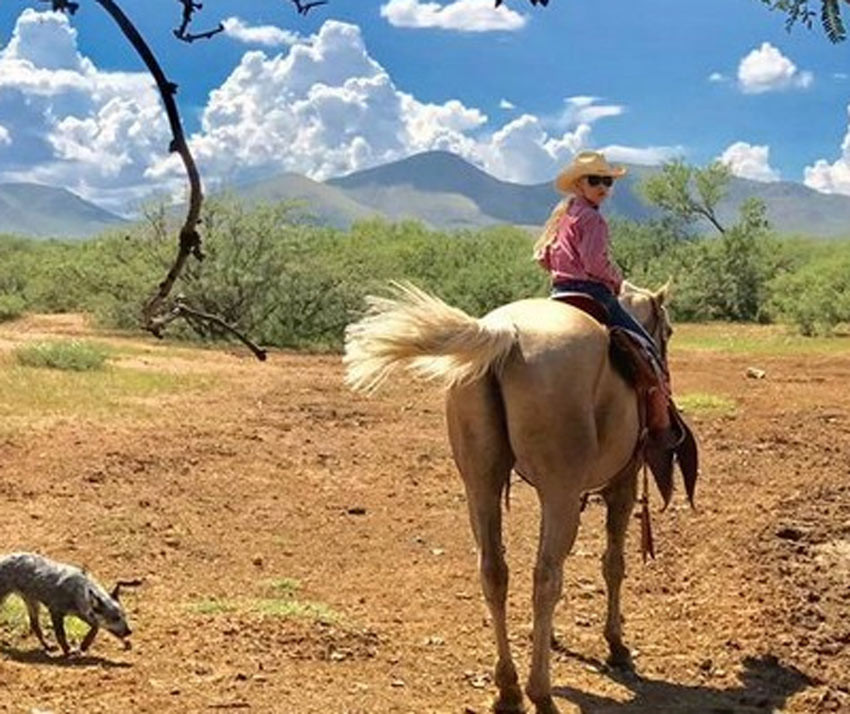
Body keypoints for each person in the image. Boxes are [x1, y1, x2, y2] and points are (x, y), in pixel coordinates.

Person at [533, 150, 675, 446]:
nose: (602, 187)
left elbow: (544, 257)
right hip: (592, 295)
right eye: (595, 180)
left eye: (607, 182)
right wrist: (617, 280)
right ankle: (660, 426)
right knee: (648, 351)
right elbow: (594, 264)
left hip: (559, 294)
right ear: (579, 185)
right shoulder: (593, 220)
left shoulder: (563, 216)